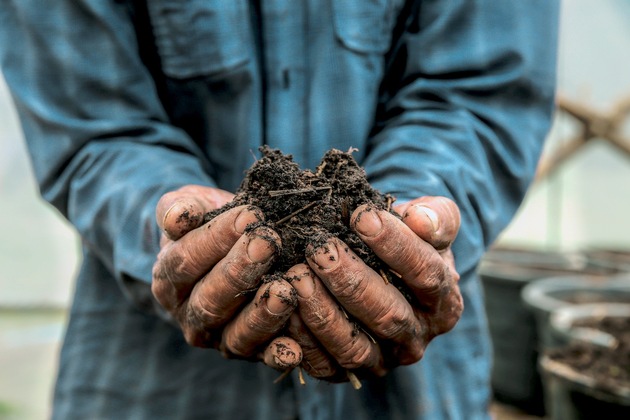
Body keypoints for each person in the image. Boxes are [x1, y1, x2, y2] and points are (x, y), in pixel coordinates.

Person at [0, 1, 559, 419]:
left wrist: (407, 223)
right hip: (152, 381)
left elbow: (478, 93)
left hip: (416, 386)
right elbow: (94, 119)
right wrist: (173, 222)